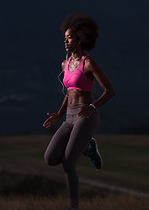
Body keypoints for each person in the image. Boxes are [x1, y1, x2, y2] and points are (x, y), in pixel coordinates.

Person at [43, 13, 115, 210]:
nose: (65, 41)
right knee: (50, 158)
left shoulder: (88, 63)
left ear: (80, 39)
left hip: (87, 116)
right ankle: (87, 148)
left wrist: (93, 106)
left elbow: (110, 91)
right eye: (65, 38)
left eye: (70, 37)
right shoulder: (65, 64)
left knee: (68, 162)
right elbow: (69, 92)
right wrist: (59, 113)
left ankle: (73, 207)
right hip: (69, 117)